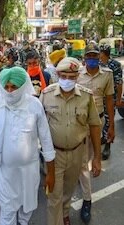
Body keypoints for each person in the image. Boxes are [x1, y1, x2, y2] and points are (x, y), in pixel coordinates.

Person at [0, 58, 56, 225]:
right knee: (7, 210)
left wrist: (51, 172)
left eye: (14, 87)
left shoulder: (34, 105)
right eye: (6, 87)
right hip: (3, 169)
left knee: (27, 208)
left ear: (23, 87)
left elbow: (46, 139)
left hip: (30, 168)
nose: (9, 91)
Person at [40, 57, 102, 225]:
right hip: (54, 155)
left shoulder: (86, 96)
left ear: (77, 76)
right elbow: (39, 127)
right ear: (58, 75)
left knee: (68, 190)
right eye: (64, 76)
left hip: (77, 153)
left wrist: (96, 157)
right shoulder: (46, 95)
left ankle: (65, 213)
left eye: (72, 77)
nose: (68, 80)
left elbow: (95, 126)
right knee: (54, 195)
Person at [78, 43, 115, 223]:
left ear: (99, 57)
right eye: (89, 56)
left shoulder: (107, 75)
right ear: (84, 58)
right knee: (84, 163)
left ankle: (85, 188)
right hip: (80, 122)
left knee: (92, 157)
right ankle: (87, 200)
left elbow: (109, 100)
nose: (92, 59)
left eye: (95, 56)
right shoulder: (77, 74)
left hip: (97, 123)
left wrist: (112, 126)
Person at [99, 44, 123, 160]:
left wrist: (118, 99)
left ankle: (107, 146)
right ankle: (103, 138)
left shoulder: (115, 65)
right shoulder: (97, 64)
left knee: (109, 121)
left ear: (104, 53)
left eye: (100, 53)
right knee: (99, 120)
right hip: (98, 98)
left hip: (110, 98)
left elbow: (119, 83)